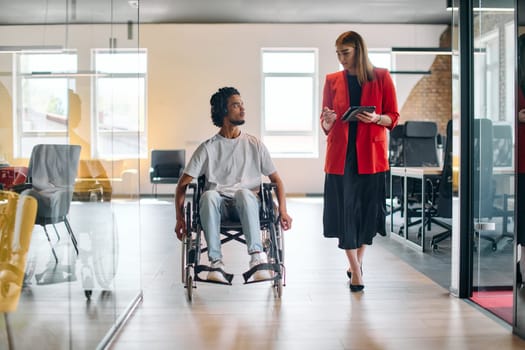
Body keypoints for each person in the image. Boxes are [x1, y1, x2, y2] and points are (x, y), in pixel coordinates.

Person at [174, 86, 292, 283]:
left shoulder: (254, 144)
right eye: (236, 105)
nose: (242, 109)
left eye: (242, 104)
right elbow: (182, 184)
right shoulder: (207, 148)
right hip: (217, 207)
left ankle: (256, 258)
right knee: (209, 195)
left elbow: (277, 181)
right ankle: (216, 263)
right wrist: (179, 218)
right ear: (223, 111)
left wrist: (284, 210)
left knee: (244, 194)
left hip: (247, 204)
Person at [320, 31, 399, 292]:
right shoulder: (332, 80)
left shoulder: (382, 77)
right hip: (341, 158)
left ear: (359, 51)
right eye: (338, 53)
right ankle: (356, 271)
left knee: (367, 213)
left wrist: (377, 119)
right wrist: (327, 122)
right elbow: (325, 121)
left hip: (372, 157)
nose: (341, 59)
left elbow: (393, 117)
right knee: (345, 214)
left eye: (346, 53)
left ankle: (358, 260)